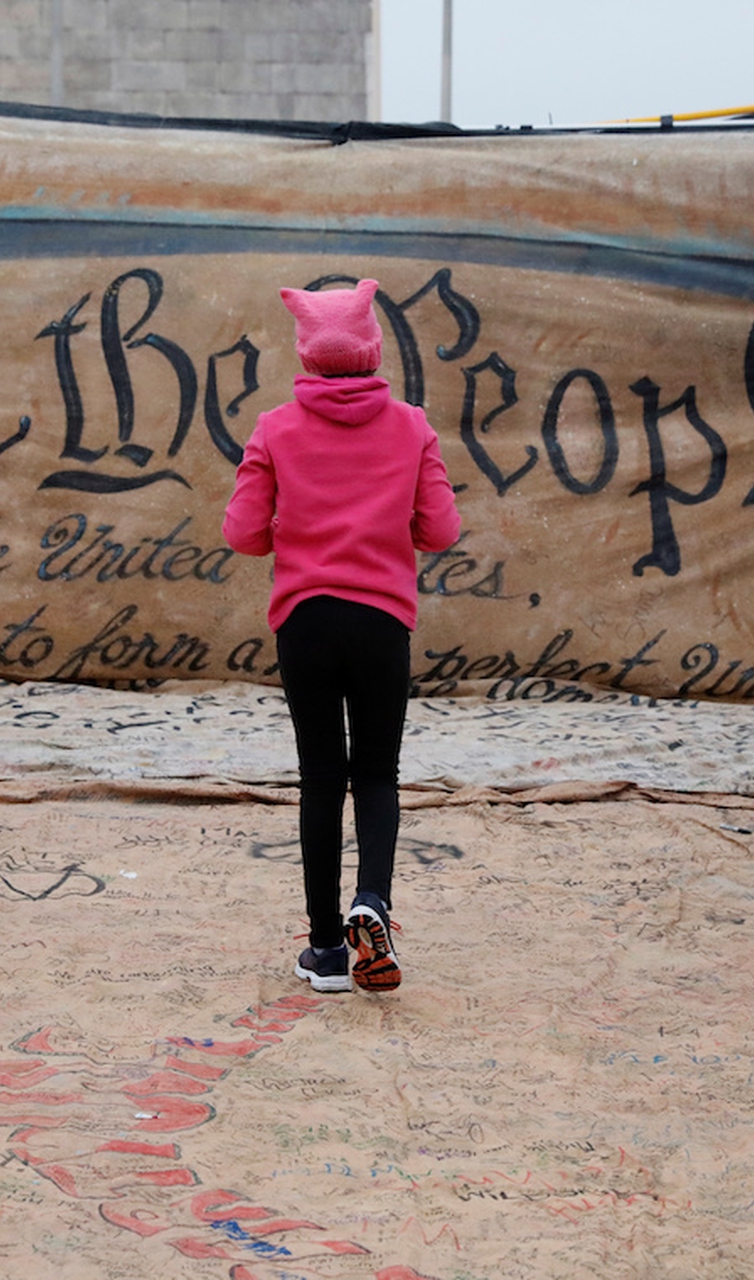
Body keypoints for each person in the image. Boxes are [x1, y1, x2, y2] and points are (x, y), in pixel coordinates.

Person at [222, 279, 461, 994]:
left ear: (308, 355)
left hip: (305, 622)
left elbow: (241, 534)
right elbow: (441, 531)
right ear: (372, 350)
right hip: (383, 621)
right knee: (378, 774)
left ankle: (326, 950)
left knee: (321, 780)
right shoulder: (413, 427)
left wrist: (295, 527)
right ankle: (373, 902)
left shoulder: (274, 429)